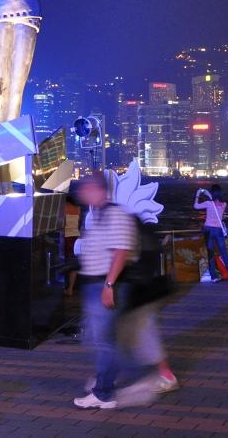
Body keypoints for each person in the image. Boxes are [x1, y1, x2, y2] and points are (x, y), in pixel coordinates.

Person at [72, 172, 138, 409]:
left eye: (86, 187)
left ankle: (104, 392)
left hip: (105, 285)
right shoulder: (98, 214)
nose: (82, 192)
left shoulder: (114, 213)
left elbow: (121, 251)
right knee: (102, 340)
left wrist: (108, 285)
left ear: (98, 189)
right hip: (95, 285)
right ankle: (106, 383)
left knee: (105, 343)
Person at [194, 185, 228, 282]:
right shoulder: (224, 204)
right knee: (224, 253)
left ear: (212, 193)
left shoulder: (208, 203)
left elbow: (196, 206)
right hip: (218, 230)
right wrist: (210, 195)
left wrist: (198, 194)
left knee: (210, 253)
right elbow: (216, 201)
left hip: (208, 229)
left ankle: (213, 277)